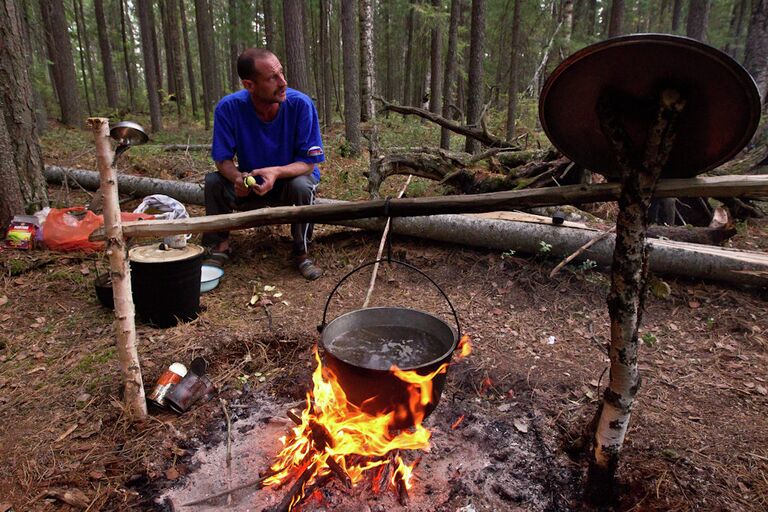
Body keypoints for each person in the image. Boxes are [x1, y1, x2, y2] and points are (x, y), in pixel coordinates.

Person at [203, 48, 324, 280]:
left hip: (290, 181)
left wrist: (276, 172)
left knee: (302, 186)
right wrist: (237, 178)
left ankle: (302, 251)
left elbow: (309, 163)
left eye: (281, 73)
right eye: (272, 78)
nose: (283, 82)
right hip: (252, 183)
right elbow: (222, 160)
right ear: (249, 85)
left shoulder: (301, 105)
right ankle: (220, 246)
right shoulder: (229, 108)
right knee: (214, 183)